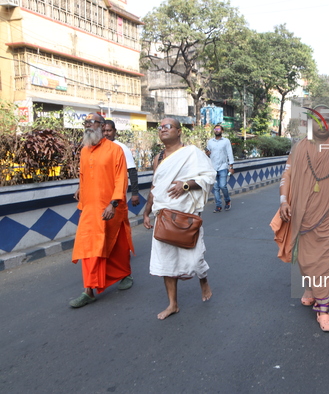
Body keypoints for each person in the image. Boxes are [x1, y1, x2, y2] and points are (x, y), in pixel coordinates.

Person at [271, 105, 329, 332]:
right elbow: (287, 175)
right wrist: (283, 201)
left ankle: (324, 309)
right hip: (303, 213)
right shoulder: (299, 147)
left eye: (327, 119)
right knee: (307, 259)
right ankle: (311, 288)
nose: (322, 124)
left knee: (326, 261)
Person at [143, 118, 216, 320]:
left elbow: (209, 176)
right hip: (163, 215)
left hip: (186, 214)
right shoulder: (158, 157)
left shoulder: (192, 153)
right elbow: (154, 187)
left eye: (168, 126)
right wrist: (146, 211)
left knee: (194, 258)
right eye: (160, 127)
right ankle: (173, 304)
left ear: (179, 131)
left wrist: (185, 185)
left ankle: (203, 281)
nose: (163, 130)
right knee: (166, 261)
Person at [70, 113, 134, 308]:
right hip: (89, 209)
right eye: (86, 123)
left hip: (110, 207)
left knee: (116, 245)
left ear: (101, 125)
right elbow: (84, 175)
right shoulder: (84, 151)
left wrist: (113, 204)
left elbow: (121, 179)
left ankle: (124, 274)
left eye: (92, 122)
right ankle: (88, 290)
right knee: (89, 247)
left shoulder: (115, 150)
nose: (88, 126)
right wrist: (80, 189)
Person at [103, 120, 140, 206]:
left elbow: (132, 171)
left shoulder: (121, 148)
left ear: (114, 131)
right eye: (103, 131)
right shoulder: (98, 148)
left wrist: (134, 194)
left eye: (109, 130)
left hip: (117, 196)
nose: (106, 133)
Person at [206, 124, 234, 213]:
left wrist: (231, 166)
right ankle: (218, 205)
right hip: (213, 167)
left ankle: (227, 200)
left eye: (218, 129)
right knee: (216, 188)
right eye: (215, 129)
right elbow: (207, 154)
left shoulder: (226, 141)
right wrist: (207, 153)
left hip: (223, 167)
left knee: (222, 186)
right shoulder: (210, 142)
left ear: (222, 131)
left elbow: (230, 153)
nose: (216, 130)